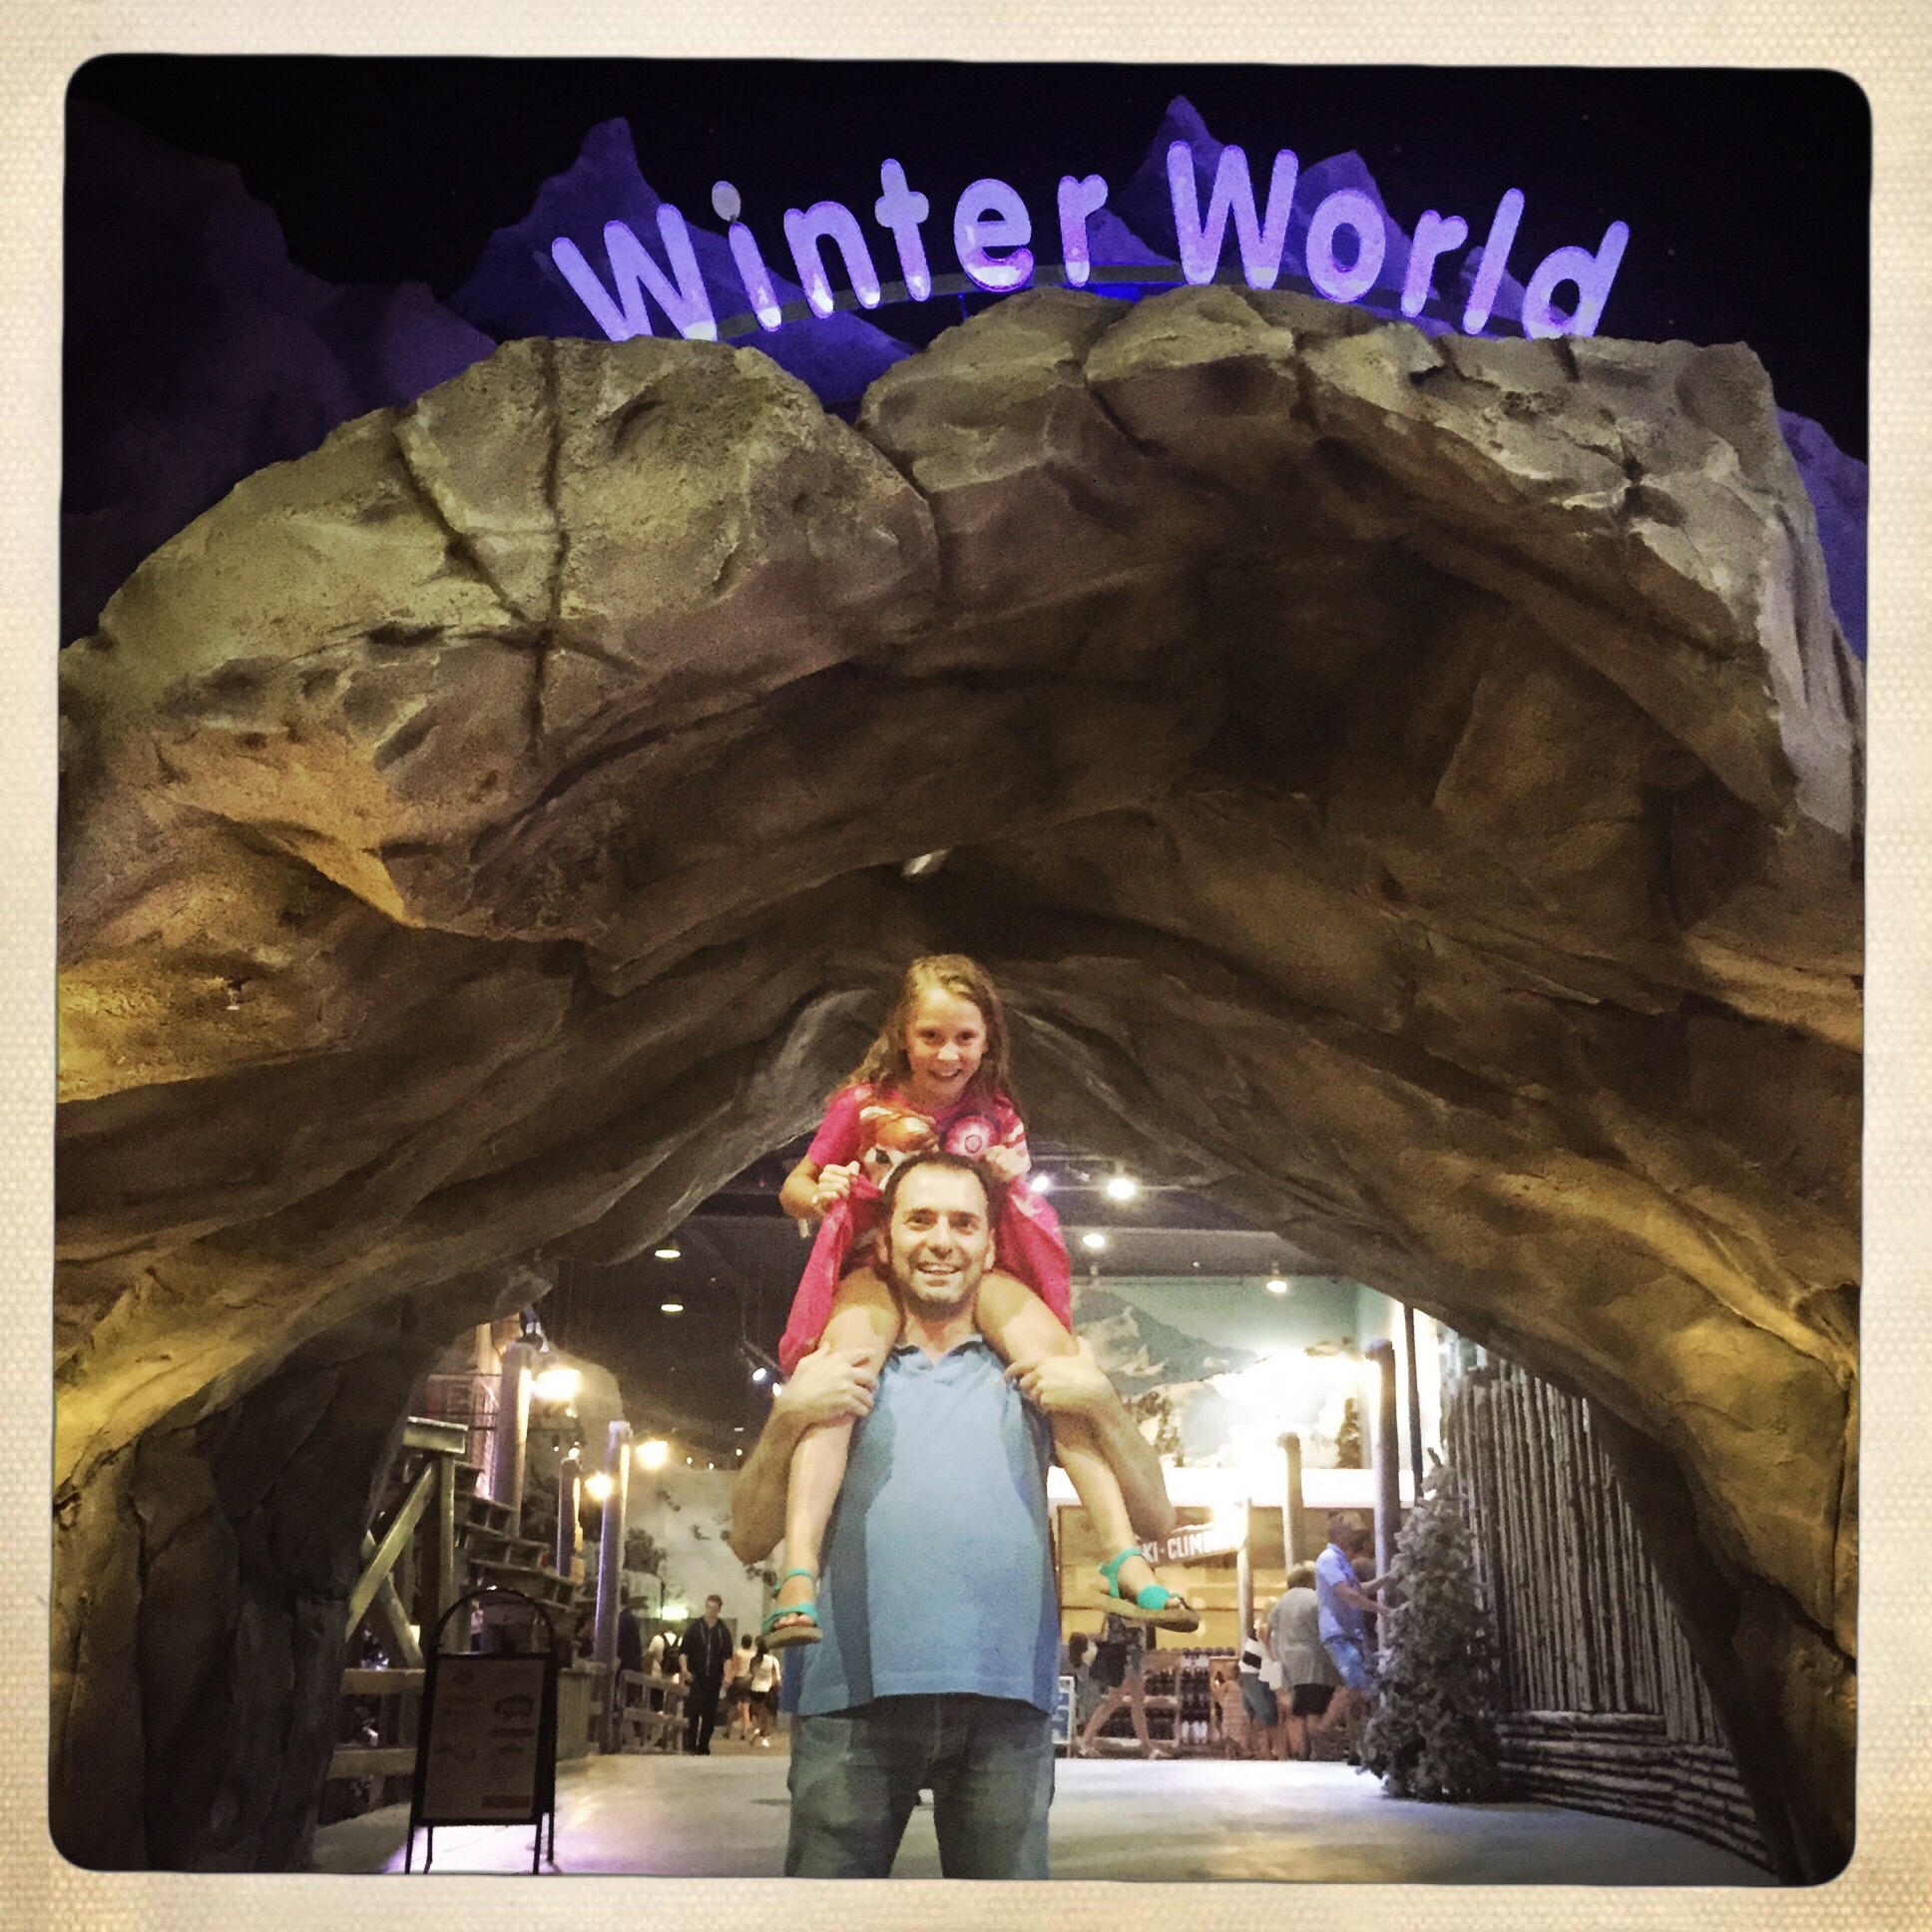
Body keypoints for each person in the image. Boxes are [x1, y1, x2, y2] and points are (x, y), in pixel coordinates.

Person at [728, 1150, 1178, 1878]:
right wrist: (787, 1420)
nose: (942, 1241)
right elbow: (748, 1537)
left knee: (1004, 1922)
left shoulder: (1033, 1369)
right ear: (885, 1238)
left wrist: (1103, 1402)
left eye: (964, 1224)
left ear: (992, 1245)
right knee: (826, 1919)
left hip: (1007, 1705)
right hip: (849, 1704)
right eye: (921, 1220)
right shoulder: (840, 1369)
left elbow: (1156, 1517)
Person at [763, 955, 1193, 1647]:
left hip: (973, 1268)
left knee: (1059, 1369)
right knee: (840, 1376)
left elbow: (1009, 1199)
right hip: (877, 1259)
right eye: (931, 1036)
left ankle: (1121, 1555)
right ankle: (799, 1573)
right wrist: (820, 1194)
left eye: (965, 1038)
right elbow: (797, 1185)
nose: (948, 1055)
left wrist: (1010, 1175)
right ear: (903, 1035)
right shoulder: (863, 1105)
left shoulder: (996, 1112)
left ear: (988, 1039)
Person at [1315, 1515, 1386, 1732]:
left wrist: (1388, 1578)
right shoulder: (1329, 1558)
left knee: (1357, 1685)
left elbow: (1358, 1590)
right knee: (1356, 1683)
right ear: (1341, 1534)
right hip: (1339, 1632)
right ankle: (1322, 1731)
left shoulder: (1340, 1559)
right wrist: (1383, 1610)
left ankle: (1348, 1735)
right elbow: (1348, 1594)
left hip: (1348, 1632)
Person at [1268, 1560, 1341, 1759]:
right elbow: (1325, 1627)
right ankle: (1318, 1750)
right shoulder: (1314, 1598)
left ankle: (1303, 1751)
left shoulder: (1280, 1603)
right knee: (1315, 1706)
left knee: (1300, 1707)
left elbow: (1272, 1632)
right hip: (1313, 1657)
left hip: (1288, 1659)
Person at [1074, 1610, 1170, 1759]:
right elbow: (1129, 1622)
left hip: (1131, 1656)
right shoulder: (1120, 1605)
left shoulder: (1123, 1604)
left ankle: (1145, 1746)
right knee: (1118, 1699)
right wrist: (1151, 1617)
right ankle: (1086, 1742)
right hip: (1123, 1656)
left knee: (1131, 1699)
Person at [679, 1593, 732, 1755]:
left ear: (719, 1610)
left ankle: (703, 1745)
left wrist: (727, 1676)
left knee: (709, 1713)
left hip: (713, 1678)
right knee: (693, 1710)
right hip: (695, 1676)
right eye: (708, 1607)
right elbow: (683, 1652)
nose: (710, 1611)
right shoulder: (695, 1627)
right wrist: (684, 1670)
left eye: (714, 1608)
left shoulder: (723, 1631)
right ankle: (690, 1743)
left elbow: (728, 1657)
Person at [1237, 1613, 1279, 1757]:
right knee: (1266, 1714)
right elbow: (1269, 1649)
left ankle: (1260, 1750)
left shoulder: (1260, 1626)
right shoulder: (1264, 1627)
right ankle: (1269, 1750)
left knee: (1256, 1715)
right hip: (1255, 1674)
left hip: (1249, 1672)